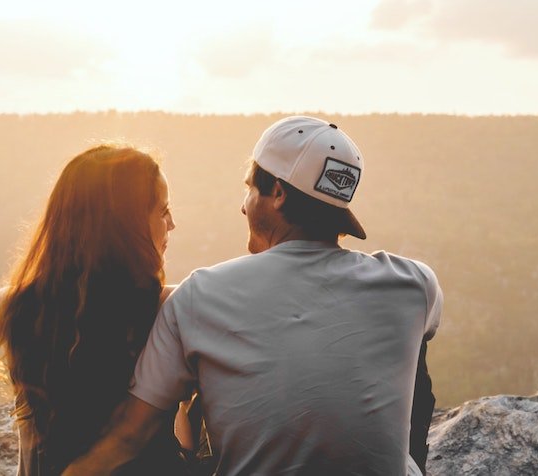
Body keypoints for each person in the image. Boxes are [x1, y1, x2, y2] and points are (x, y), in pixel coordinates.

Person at [64, 116, 443, 476]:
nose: (243, 204)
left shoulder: (201, 295)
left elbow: (131, 434)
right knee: (415, 344)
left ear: (277, 193)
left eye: (249, 188)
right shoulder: (413, 283)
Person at [0, 144, 188, 475]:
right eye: (162, 211)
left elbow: (30, 440)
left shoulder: (10, 307)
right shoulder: (172, 307)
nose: (172, 224)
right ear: (124, 226)